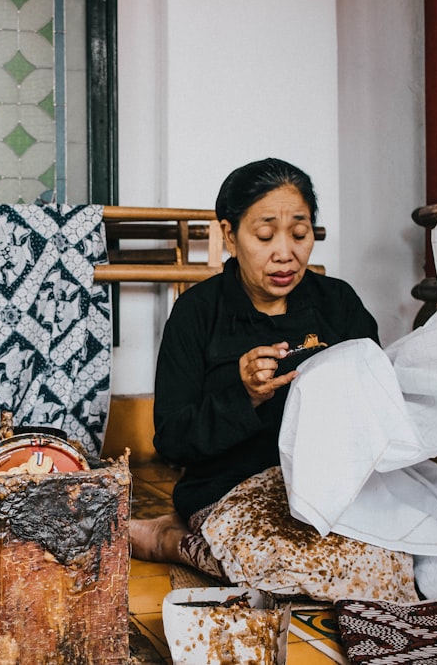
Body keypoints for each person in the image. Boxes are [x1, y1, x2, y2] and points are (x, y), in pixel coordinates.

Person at [129, 158, 379, 576]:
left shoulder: (338, 303)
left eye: (300, 234)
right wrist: (242, 395)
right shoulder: (197, 313)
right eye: (265, 236)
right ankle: (168, 540)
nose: (286, 253)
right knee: (282, 567)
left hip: (327, 487)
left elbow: (376, 405)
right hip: (229, 491)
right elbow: (172, 440)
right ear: (230, 234)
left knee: (400, 557)